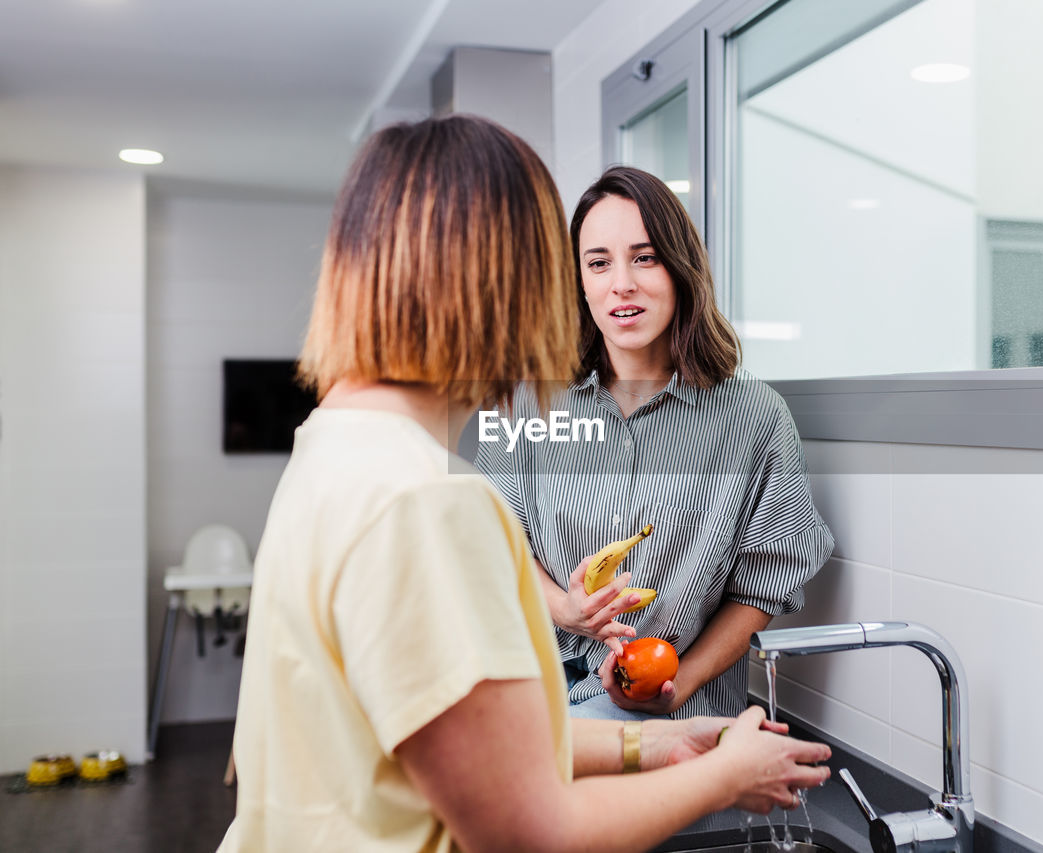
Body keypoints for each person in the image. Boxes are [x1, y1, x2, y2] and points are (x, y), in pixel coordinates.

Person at [218, 117, 830, 853]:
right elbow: (527, 829)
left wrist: (657, 745)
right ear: (507, 281)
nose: (606, 287)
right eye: (576, 263)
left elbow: (461, 749)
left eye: (640, 258)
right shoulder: (428, 501)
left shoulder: (333, 443)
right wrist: (724, 775)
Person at [476, 165, 834, 722]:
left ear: (680, 268)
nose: (622, 282)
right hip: (533, 695)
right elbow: (495, 540)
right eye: (598, 263)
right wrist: (566, 611)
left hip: (669, 711)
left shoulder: (755, 418)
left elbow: (763, 588)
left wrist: (681, 682)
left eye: (644, 257)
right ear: (580, 284)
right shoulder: (527, 403)